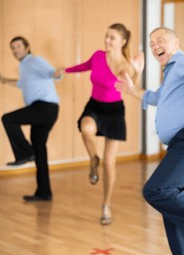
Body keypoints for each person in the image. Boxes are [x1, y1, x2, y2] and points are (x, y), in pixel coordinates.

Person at [115, 27, 184, 255]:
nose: (154, 46)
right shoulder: (171, 75)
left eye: (160, 40)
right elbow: (156, 97)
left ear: (175, 42)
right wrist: (132, 90)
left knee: (156, 190)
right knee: (176, 209)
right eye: (151, 43)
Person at [54, 23, 138, 225]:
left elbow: (133, 86)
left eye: (112, 38)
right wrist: (64, 70)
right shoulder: (98, 56)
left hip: (114, 112)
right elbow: (84, 66)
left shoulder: (125, 66)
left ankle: (106, 205)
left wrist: (137, 71)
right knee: (86, 129)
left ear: (123, 42)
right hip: (94, 106)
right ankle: (93, 160)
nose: (107, 41)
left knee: (110, 164)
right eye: (106, 36)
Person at [0, 36, 59, 202]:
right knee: (39, 148)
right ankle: (44, 192)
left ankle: (25, 153)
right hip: (46, 110)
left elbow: (51, 72)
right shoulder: (24, 67)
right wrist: (3, 80)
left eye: (18, 46)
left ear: (27, 47)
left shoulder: (34, 61)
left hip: (44, 107)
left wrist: (57, 73)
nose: (15, 50)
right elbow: (21, 84)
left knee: (8, 119)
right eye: (13, 48)